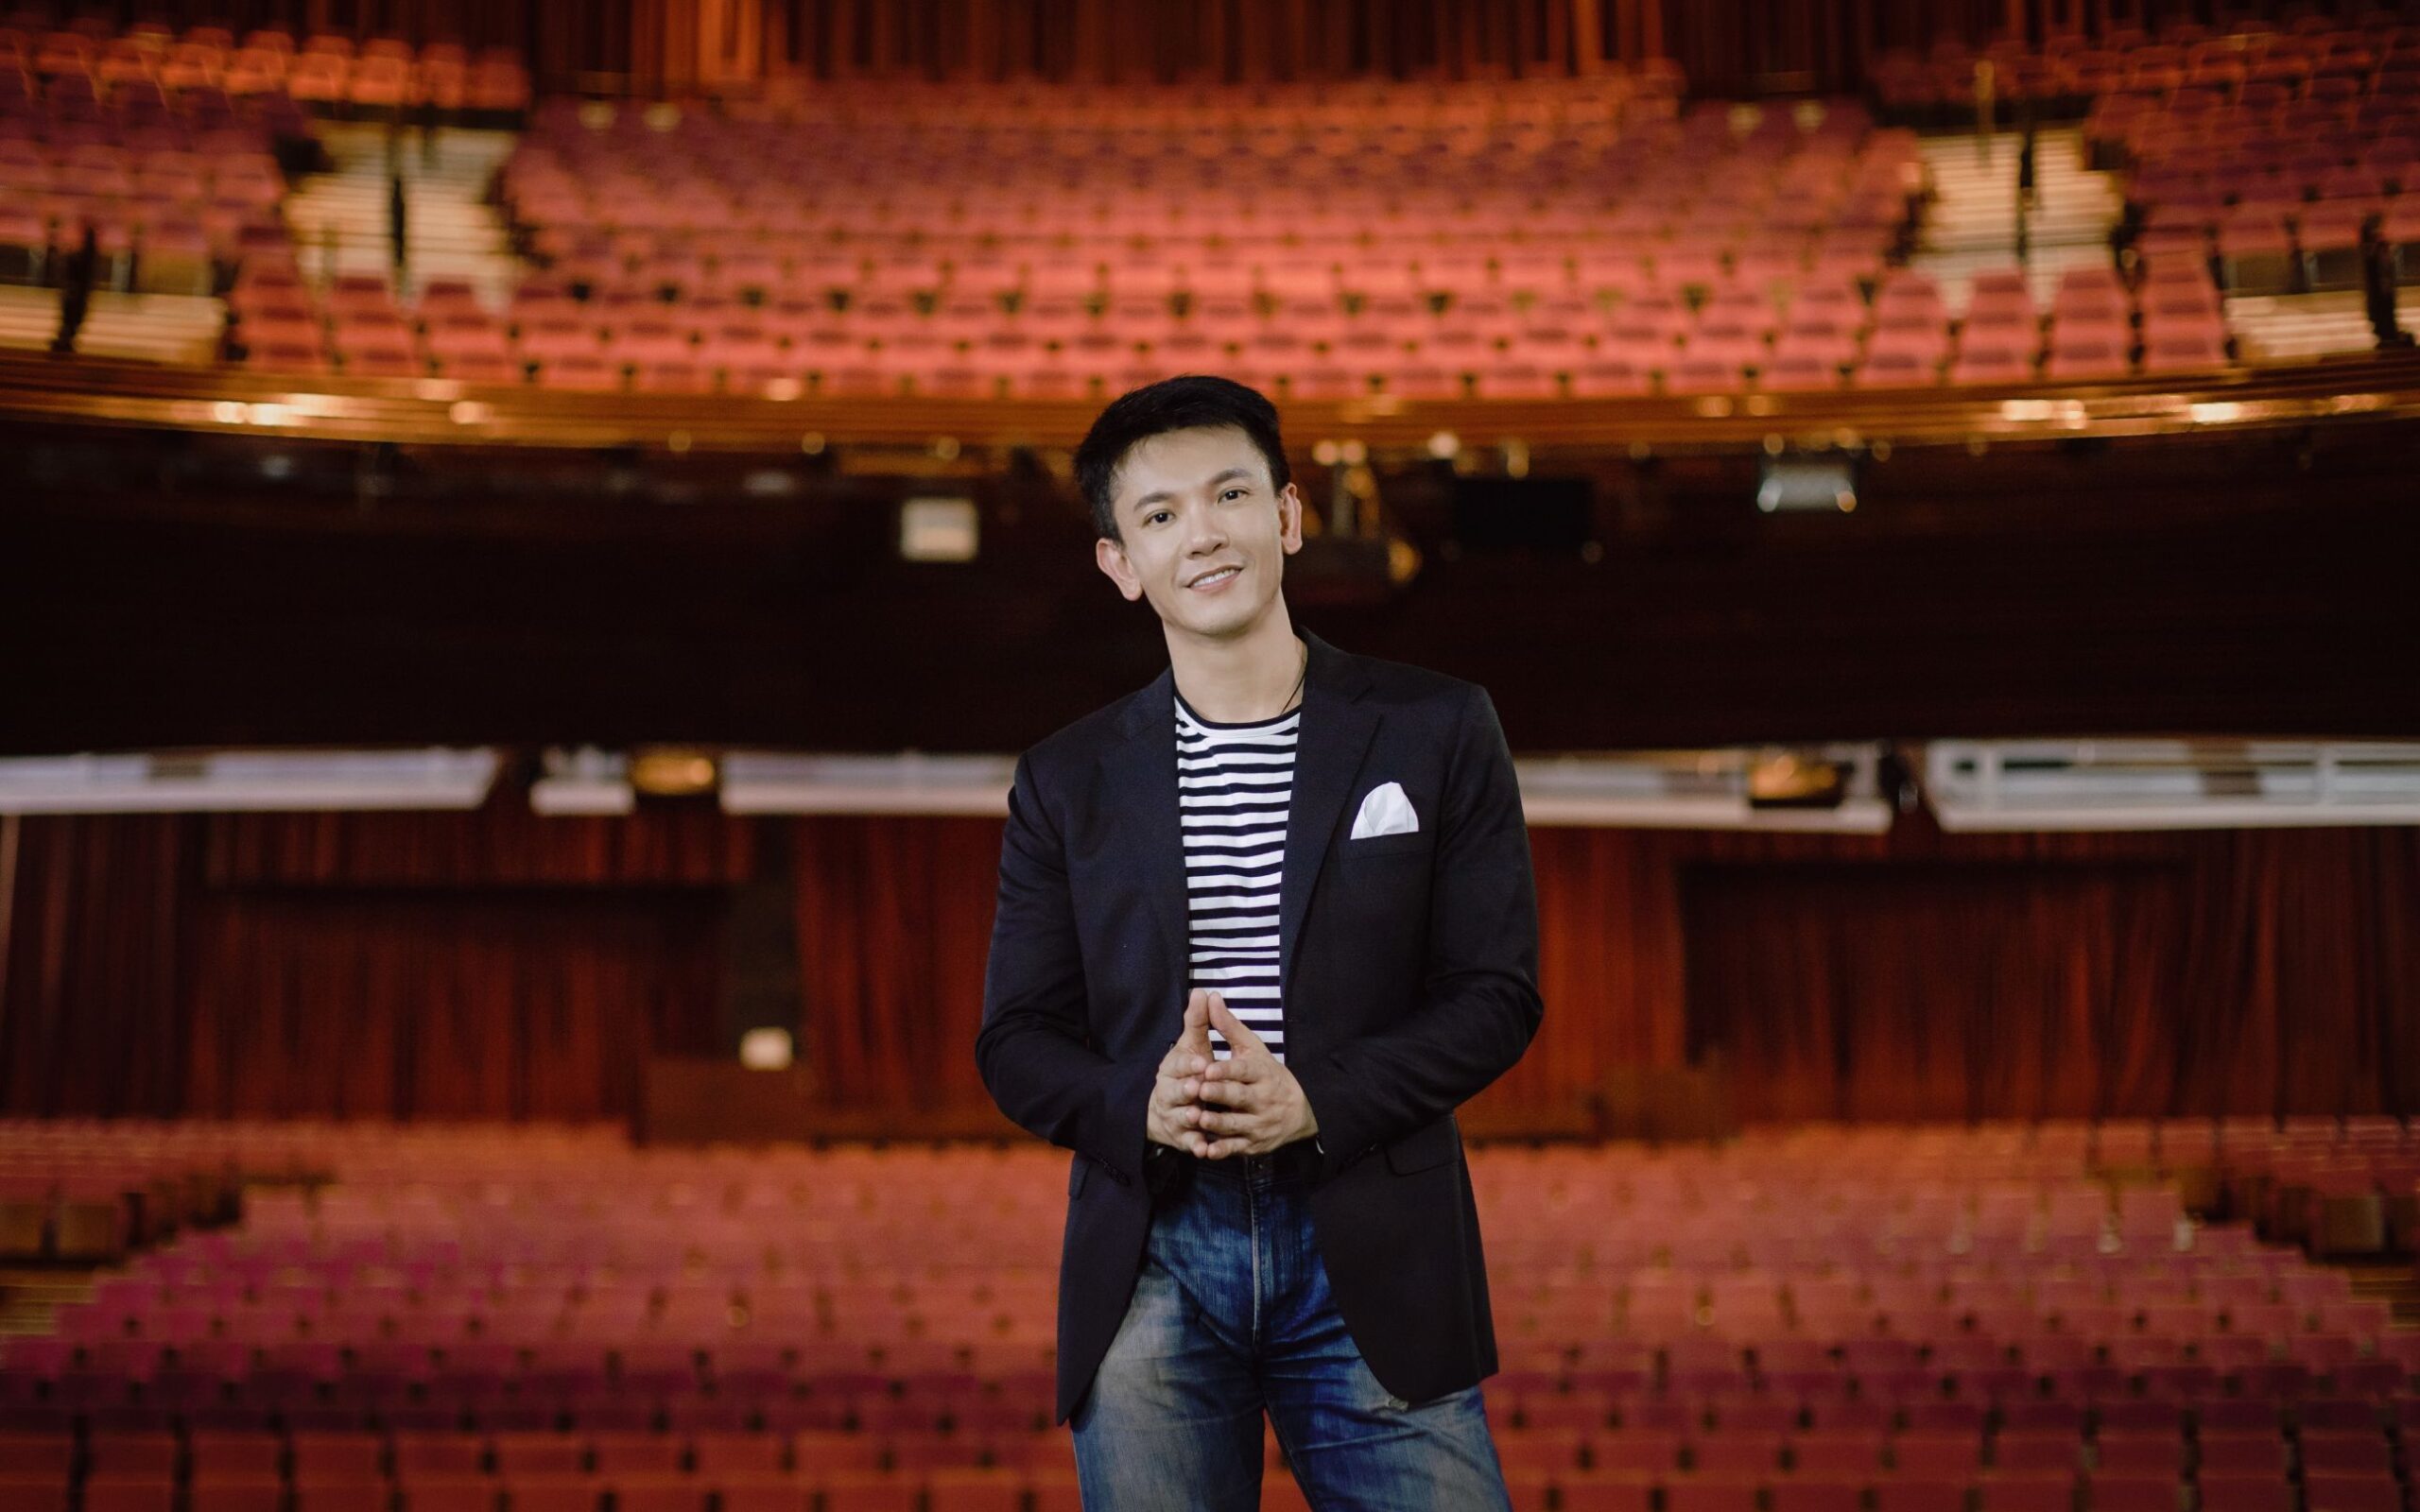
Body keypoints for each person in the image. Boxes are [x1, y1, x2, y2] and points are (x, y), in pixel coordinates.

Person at [975, 374, 1543, 1509]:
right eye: (1160, 513)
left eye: (1230, 494)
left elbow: (1495, 992)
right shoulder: (1065, 779)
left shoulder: (1437, 726)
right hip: (1153, 1252)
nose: (1203, 533)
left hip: (1372, 1237)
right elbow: (1016, 1039)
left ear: (1287, 515)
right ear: (1120, 562)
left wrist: (1314, 1098)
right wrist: (1140, 1102)